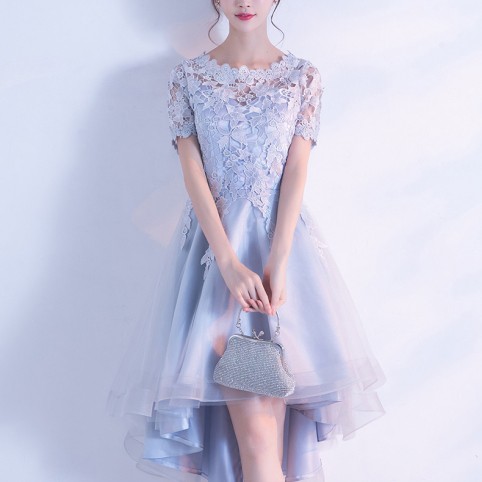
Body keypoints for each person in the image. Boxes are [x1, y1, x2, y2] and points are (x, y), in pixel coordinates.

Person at [106, 1, 387, 481]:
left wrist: (279, 258)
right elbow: (192, 175)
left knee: (266, 447)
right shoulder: (188, 78)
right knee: (256, 444)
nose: (244, 1)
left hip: (285, 263)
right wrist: (228, 262)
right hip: (213, 263)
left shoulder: (302, 77)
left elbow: (296, 171)